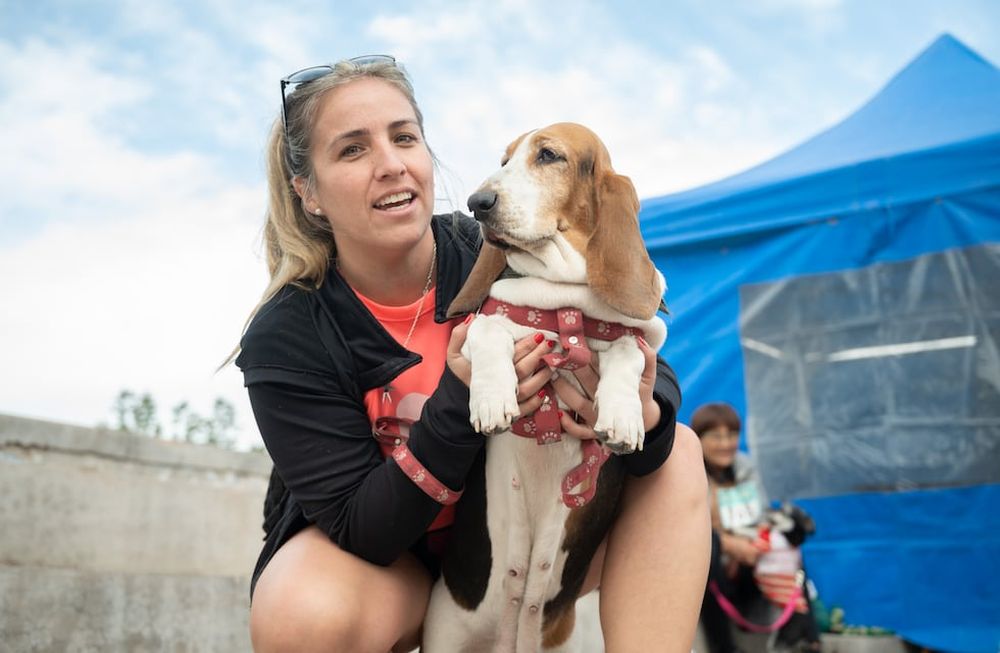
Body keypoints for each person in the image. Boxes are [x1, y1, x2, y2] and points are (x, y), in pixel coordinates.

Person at [234, 54, 709, 653]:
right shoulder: (289, 333)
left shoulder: (492, 236)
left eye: (404, 137)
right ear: (309, 193)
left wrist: (646, 408)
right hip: (398, 564)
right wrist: (459, 402)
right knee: (302, 613)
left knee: (680, 451)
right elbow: (361, 530)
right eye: (352, 150)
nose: (390, 164)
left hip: (545, 534)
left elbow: (633, 344)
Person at [692, 402, 820, 653]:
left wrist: (761, 543)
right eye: (716, 436)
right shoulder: (691, 472)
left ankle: (803, 635)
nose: (725, 443)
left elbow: (761, 514)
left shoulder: (745, 466)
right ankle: (723, 646)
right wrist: (732, 546)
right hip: (714, 563)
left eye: (731, 435)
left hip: (753, 557)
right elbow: (691, 527)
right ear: (698, 439)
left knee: (788, 537)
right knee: (710, 546)